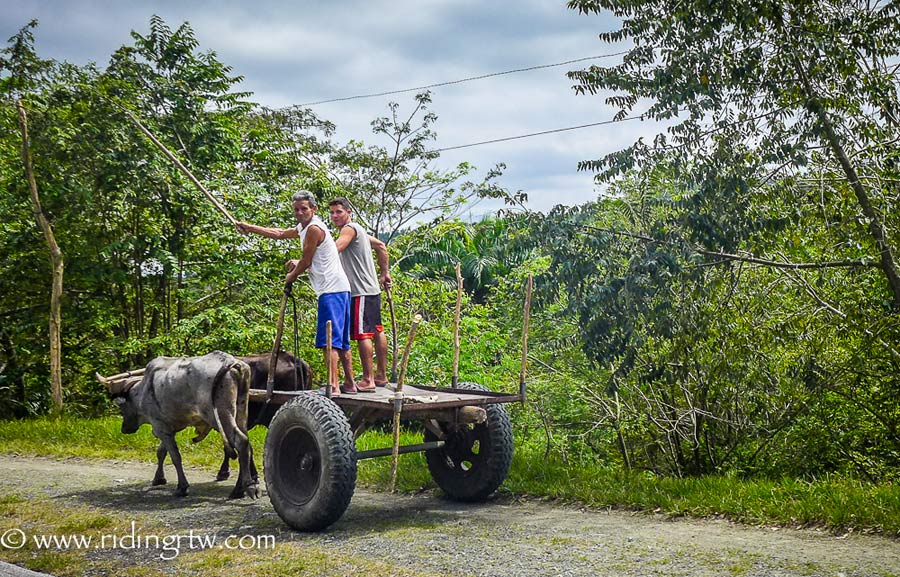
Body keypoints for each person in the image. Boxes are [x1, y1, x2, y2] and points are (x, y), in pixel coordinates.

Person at [235, 191, 358, 396]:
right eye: (296, 209)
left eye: (304, 209)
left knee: (330, 341)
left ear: (314, 209)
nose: (300, 213)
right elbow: (280, 233)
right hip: (340, 288)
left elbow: (306, 261)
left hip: (331, 289)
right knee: (341, 341)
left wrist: (291, 275)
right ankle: (350, 383)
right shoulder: (304, 227)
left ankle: (334, 386)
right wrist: (250, 228)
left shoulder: (314, 229)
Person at [328, 197, 392, 391]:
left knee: (363, 334)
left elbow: (336, 247)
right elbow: (381, 246)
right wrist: (384, 273)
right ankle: (381, 375)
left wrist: (306, 258)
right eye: (331, 213)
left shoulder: (348, 229)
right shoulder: (361, 230)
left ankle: (368, 379)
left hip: (359, 291)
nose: (335, 216)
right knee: (378, 330)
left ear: (348, 212)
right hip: (372, 289)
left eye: (339, 212)